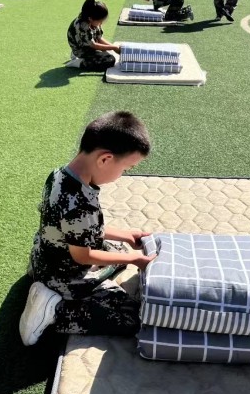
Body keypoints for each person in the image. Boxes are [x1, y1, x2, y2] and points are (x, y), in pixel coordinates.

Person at [19, 111, 157, 346]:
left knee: (118, 253)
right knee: (132, 317)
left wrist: (126, 236)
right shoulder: (80, 202)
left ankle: (42, 281)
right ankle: (53, 310)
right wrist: (135, 259)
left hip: (44, 255)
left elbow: (80, 230)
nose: (123, 175)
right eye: (126, 168)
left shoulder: (60, 175)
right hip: (65, 273)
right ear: (105, 159)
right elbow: (83, 256)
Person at [66, 0, 119, 71]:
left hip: (89, 46)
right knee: (109, 61)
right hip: (82, 50)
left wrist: (114, 47)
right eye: (100, 21)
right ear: (90, 18)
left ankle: (83, 58)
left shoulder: (92, 20)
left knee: (109, 55)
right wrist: (113, 48)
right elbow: (94, 45)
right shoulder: (82, 26)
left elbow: (99, 38)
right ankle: (79, 62)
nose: (101, 23)